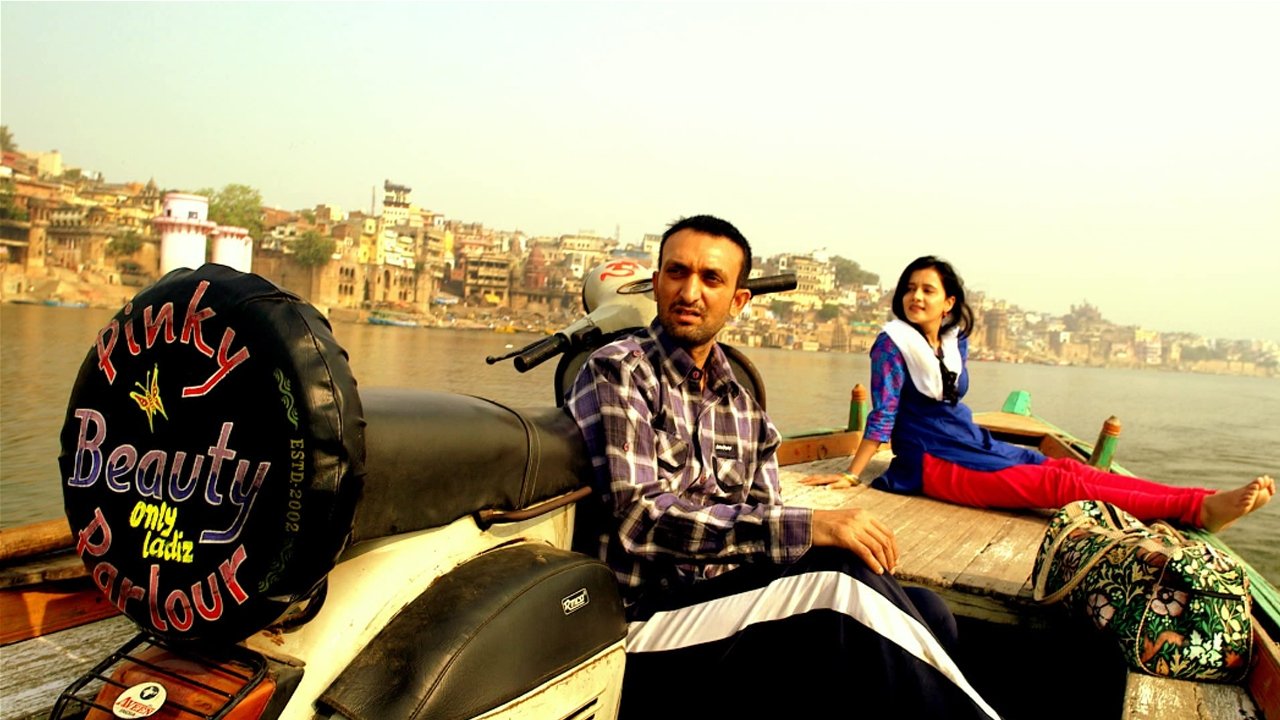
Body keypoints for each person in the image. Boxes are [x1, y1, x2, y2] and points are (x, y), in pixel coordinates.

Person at [566, 217, 1001, 719]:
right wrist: (812, 527)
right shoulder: (619, 370)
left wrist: (827, 547)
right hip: (642, 622)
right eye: (676, 272)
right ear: (658, 281)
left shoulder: (742, 405)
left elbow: (764, 523)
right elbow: (641, 519)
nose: (690, 291)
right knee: (839, 581)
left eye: (711, 279)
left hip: (722, 606)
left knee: (929, 611)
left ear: (738, 301)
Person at [804, 255, 1274, 533]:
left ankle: (1202, 497)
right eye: (910, 289)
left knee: (1068, 467)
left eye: (928, 290)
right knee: (1063, 487)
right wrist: (852, 476)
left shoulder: (951, 343)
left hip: (973, 443)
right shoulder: (892, 344)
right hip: (933, 463)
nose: (916, 297)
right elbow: (882, 415)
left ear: (949, 302)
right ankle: (1198, 510)